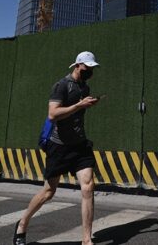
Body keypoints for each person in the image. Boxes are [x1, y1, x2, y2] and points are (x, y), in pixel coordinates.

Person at [13, 51, 102, 245]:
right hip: (59, 146)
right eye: (87, 67)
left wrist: (87, 104)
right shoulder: (61, 86)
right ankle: (23, 223)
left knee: (88, 186)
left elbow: (77, 110)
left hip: (80, 145)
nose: (90, 71)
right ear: (77, 65)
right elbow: (53, 114)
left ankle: (86, 240)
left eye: (92, 68)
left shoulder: (84, 87)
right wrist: (79, 105)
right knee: (48, 191)